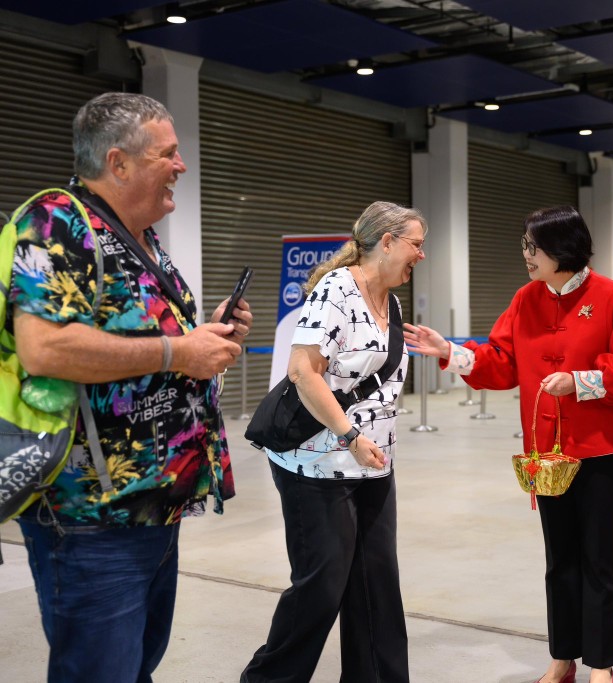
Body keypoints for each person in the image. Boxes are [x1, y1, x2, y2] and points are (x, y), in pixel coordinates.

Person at [11, 92, 252, 683]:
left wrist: (204, 336)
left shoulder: (139, 236)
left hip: (152, 502)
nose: (181, 165)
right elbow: (43, 346)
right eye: (169, 154)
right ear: (118, 163)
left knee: (136, 665)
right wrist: (179, 349)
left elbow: (142, 341)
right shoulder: (56, 221)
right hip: (92, 512)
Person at [405, 205, 613, 683]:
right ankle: (563, 657)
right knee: (558, 557)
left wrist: (581, 382)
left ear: (562, 248)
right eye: (525, 245)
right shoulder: (525, 299)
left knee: (600, 556)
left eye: (532, 246)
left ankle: (601, 663)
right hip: (546, 453)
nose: (525, 254)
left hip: (602, 449)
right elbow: (501, 361)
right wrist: (452, 353)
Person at [241, 201, 426, 683]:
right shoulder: (337, 290)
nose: (420, 256)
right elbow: (303, 371)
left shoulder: (392, 300)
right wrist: (350, 436)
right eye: (416, 244)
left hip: (374, 465)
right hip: (317, 464)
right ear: (386, 242)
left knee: (376, 584)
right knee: (321, 587)